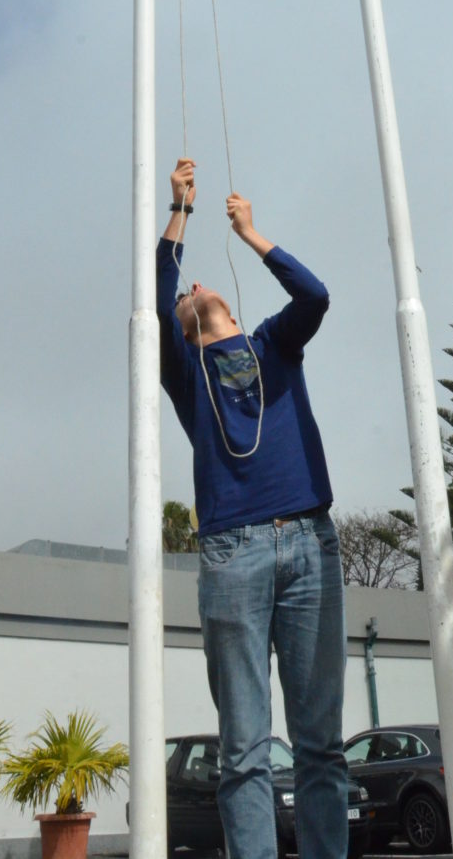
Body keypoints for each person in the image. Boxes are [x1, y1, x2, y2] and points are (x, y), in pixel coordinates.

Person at [157, 156, 348, 859]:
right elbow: (158, 289)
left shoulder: (274, 343)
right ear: (185, 325)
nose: (197, 286)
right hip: (232, 554)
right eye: (189, 293)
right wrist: (182, 210)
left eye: (207, 287)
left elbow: (316, 295)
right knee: (243, 749)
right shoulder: (186, 371)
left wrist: (252, 235)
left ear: (231, 310)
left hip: (309, 542)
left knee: (320, 742)